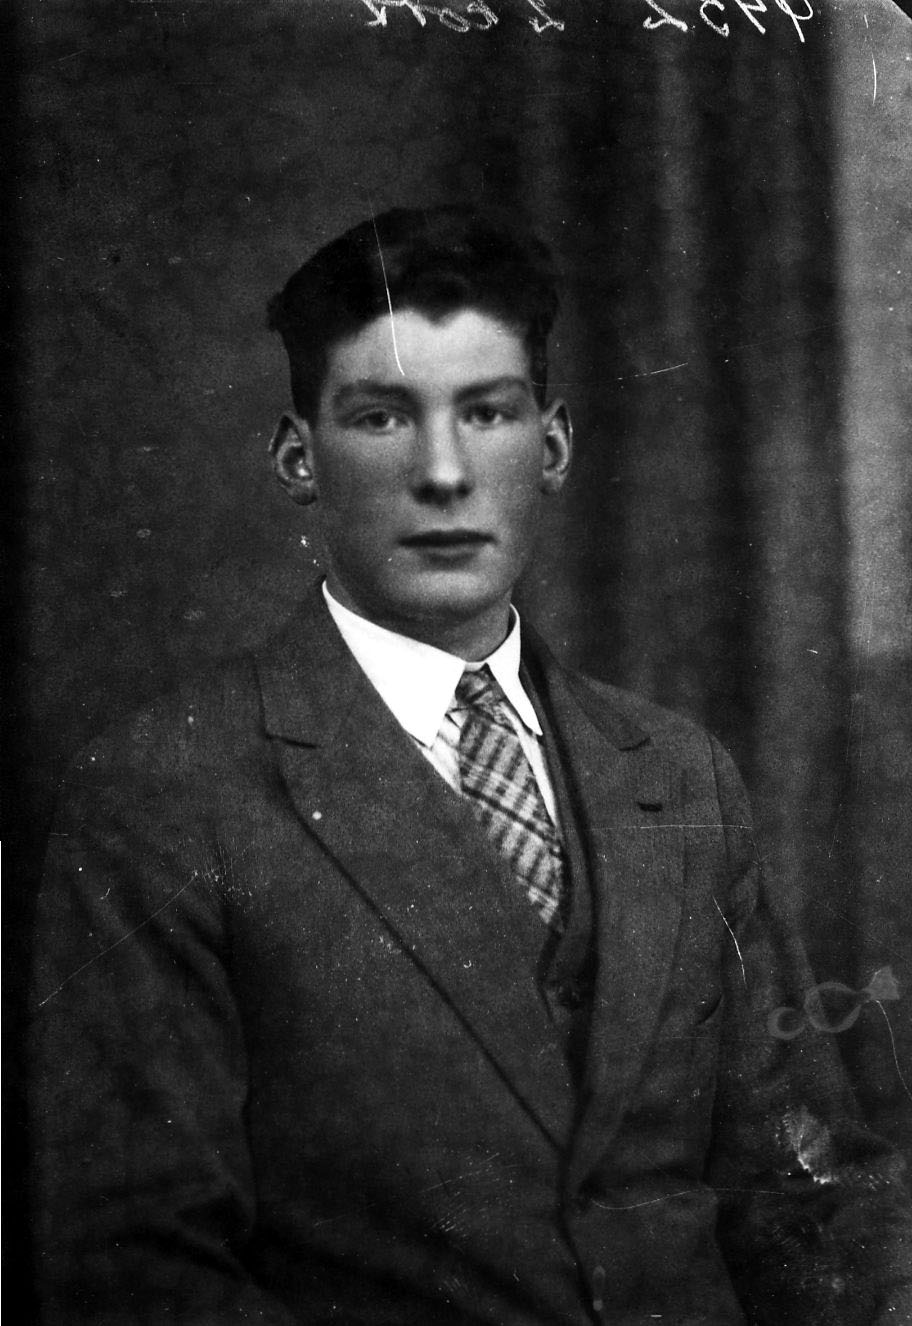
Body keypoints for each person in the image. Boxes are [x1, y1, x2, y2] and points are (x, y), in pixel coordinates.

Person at [28, 206, 911, 1325]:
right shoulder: (164, 794)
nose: (443, 473)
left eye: (486, 412)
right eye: (381, 417)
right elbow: (134, 1268)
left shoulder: (679, 774)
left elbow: (807, 1198)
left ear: (552, 448)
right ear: (298, 458)